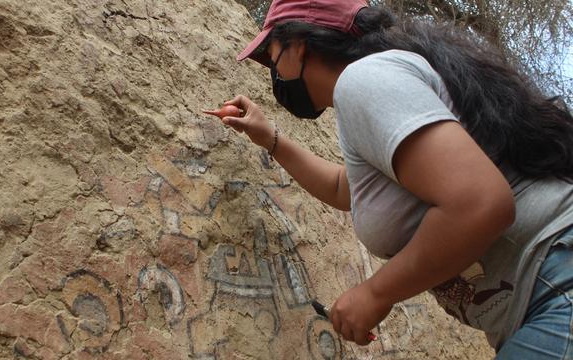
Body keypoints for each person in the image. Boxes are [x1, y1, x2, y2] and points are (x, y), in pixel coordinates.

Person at [221, 0, 573, 358]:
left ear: (297, 43)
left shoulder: (363, 81)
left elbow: (479, 203)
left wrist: (376, 293)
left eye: (270, 56)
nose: (272, 72)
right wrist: (271, 139)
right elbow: (348, 189)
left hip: (557, 281)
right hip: (545, 294)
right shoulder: (374, 88)